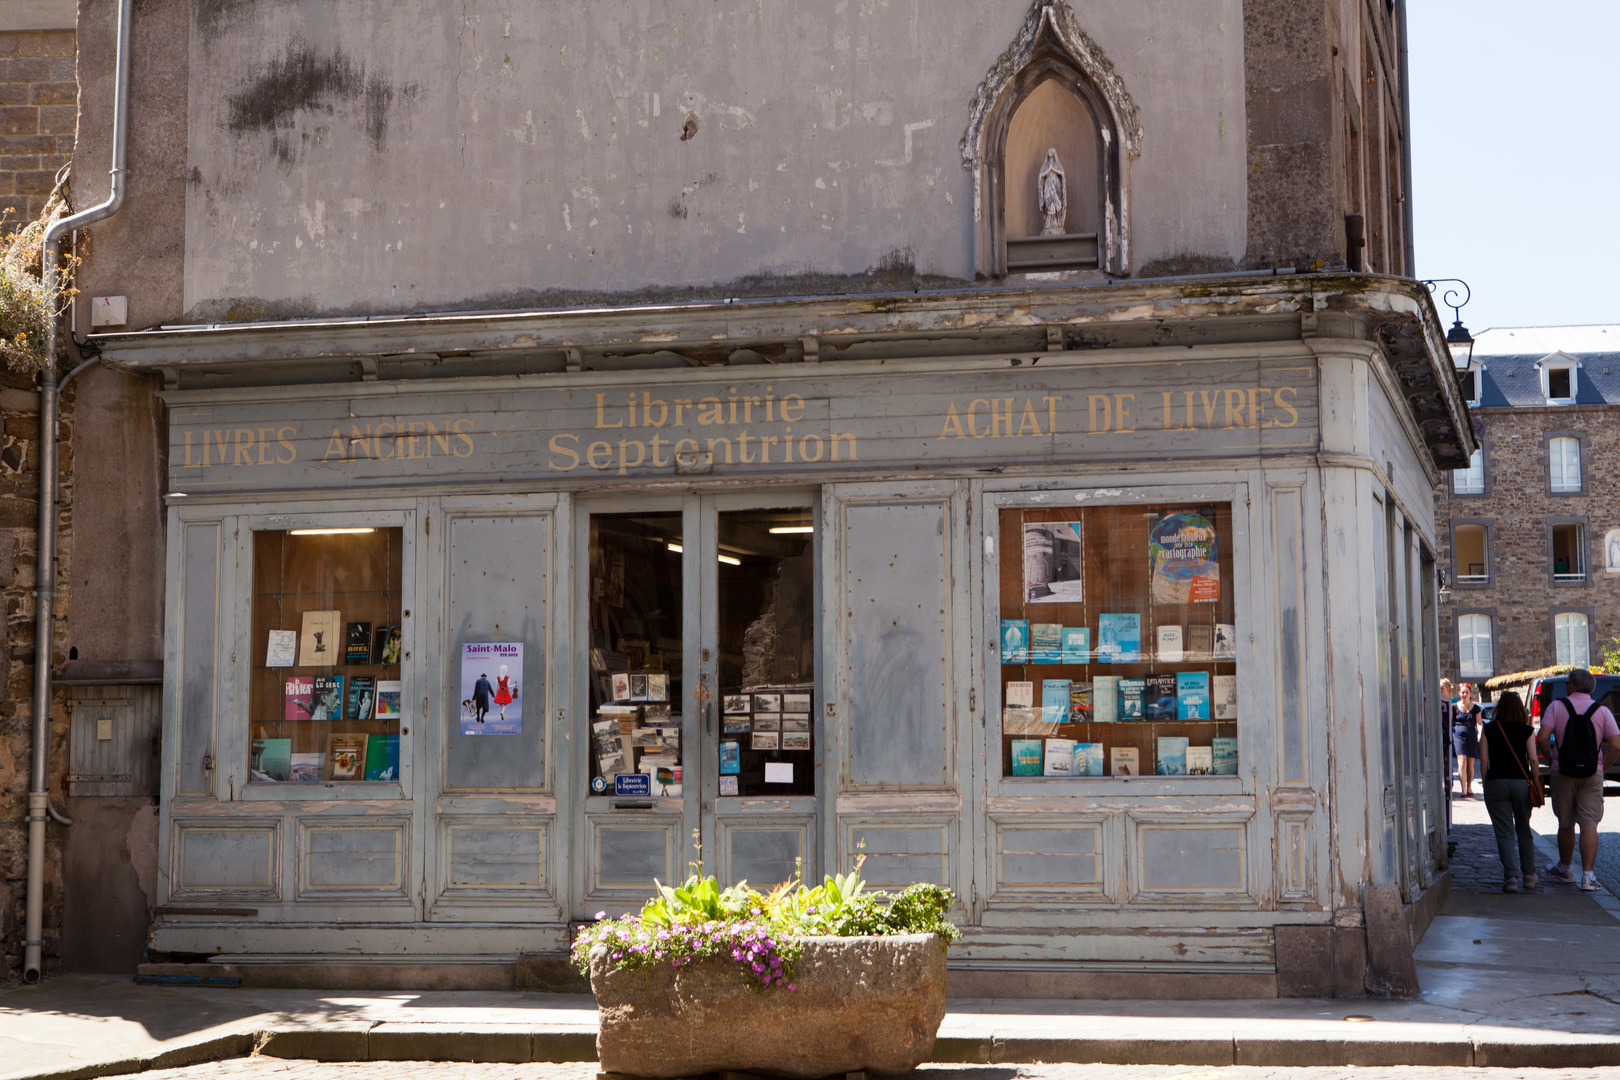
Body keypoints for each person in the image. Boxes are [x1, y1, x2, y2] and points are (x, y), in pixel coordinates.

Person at [1537, 668, 1620, 891]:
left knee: (1565, 822)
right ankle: (1588, 876)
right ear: (1591, 688)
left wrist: (1552, 757)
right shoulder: (1602, 711)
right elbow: (1616, 744)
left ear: (1571, 686)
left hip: (1562, 771)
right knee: (1589, 823)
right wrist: (1604, 765)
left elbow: (1542, 737)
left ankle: (1565, 868)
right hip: (1592, 773)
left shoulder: (1556, 706)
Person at [1480, 691, 1540, 892]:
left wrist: (1485, 782)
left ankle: (1511, 878)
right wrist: (1535, 780)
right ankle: (1530, 875)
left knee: (1504, 831)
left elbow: (1484, 760)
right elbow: (1533, 759)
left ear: (1500, 708)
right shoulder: (1527, 730)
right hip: (1521, 783)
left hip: (1496, 782)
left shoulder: (1489, 729)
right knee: (1524, 829)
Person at [1453, 683, 1483, 798]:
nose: (1464, 694)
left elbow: (1479, 723)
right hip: (1458, 734)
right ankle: (1463, 789)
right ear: (1459, 693)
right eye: (1462, 692)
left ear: (1470, 693)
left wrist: (1480, 733)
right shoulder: (1455, 707)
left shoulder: (1476, 708)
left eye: (1466, 692)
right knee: (1461, 760)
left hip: (1471, 734)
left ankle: (1469, 786)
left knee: (1470, 763)